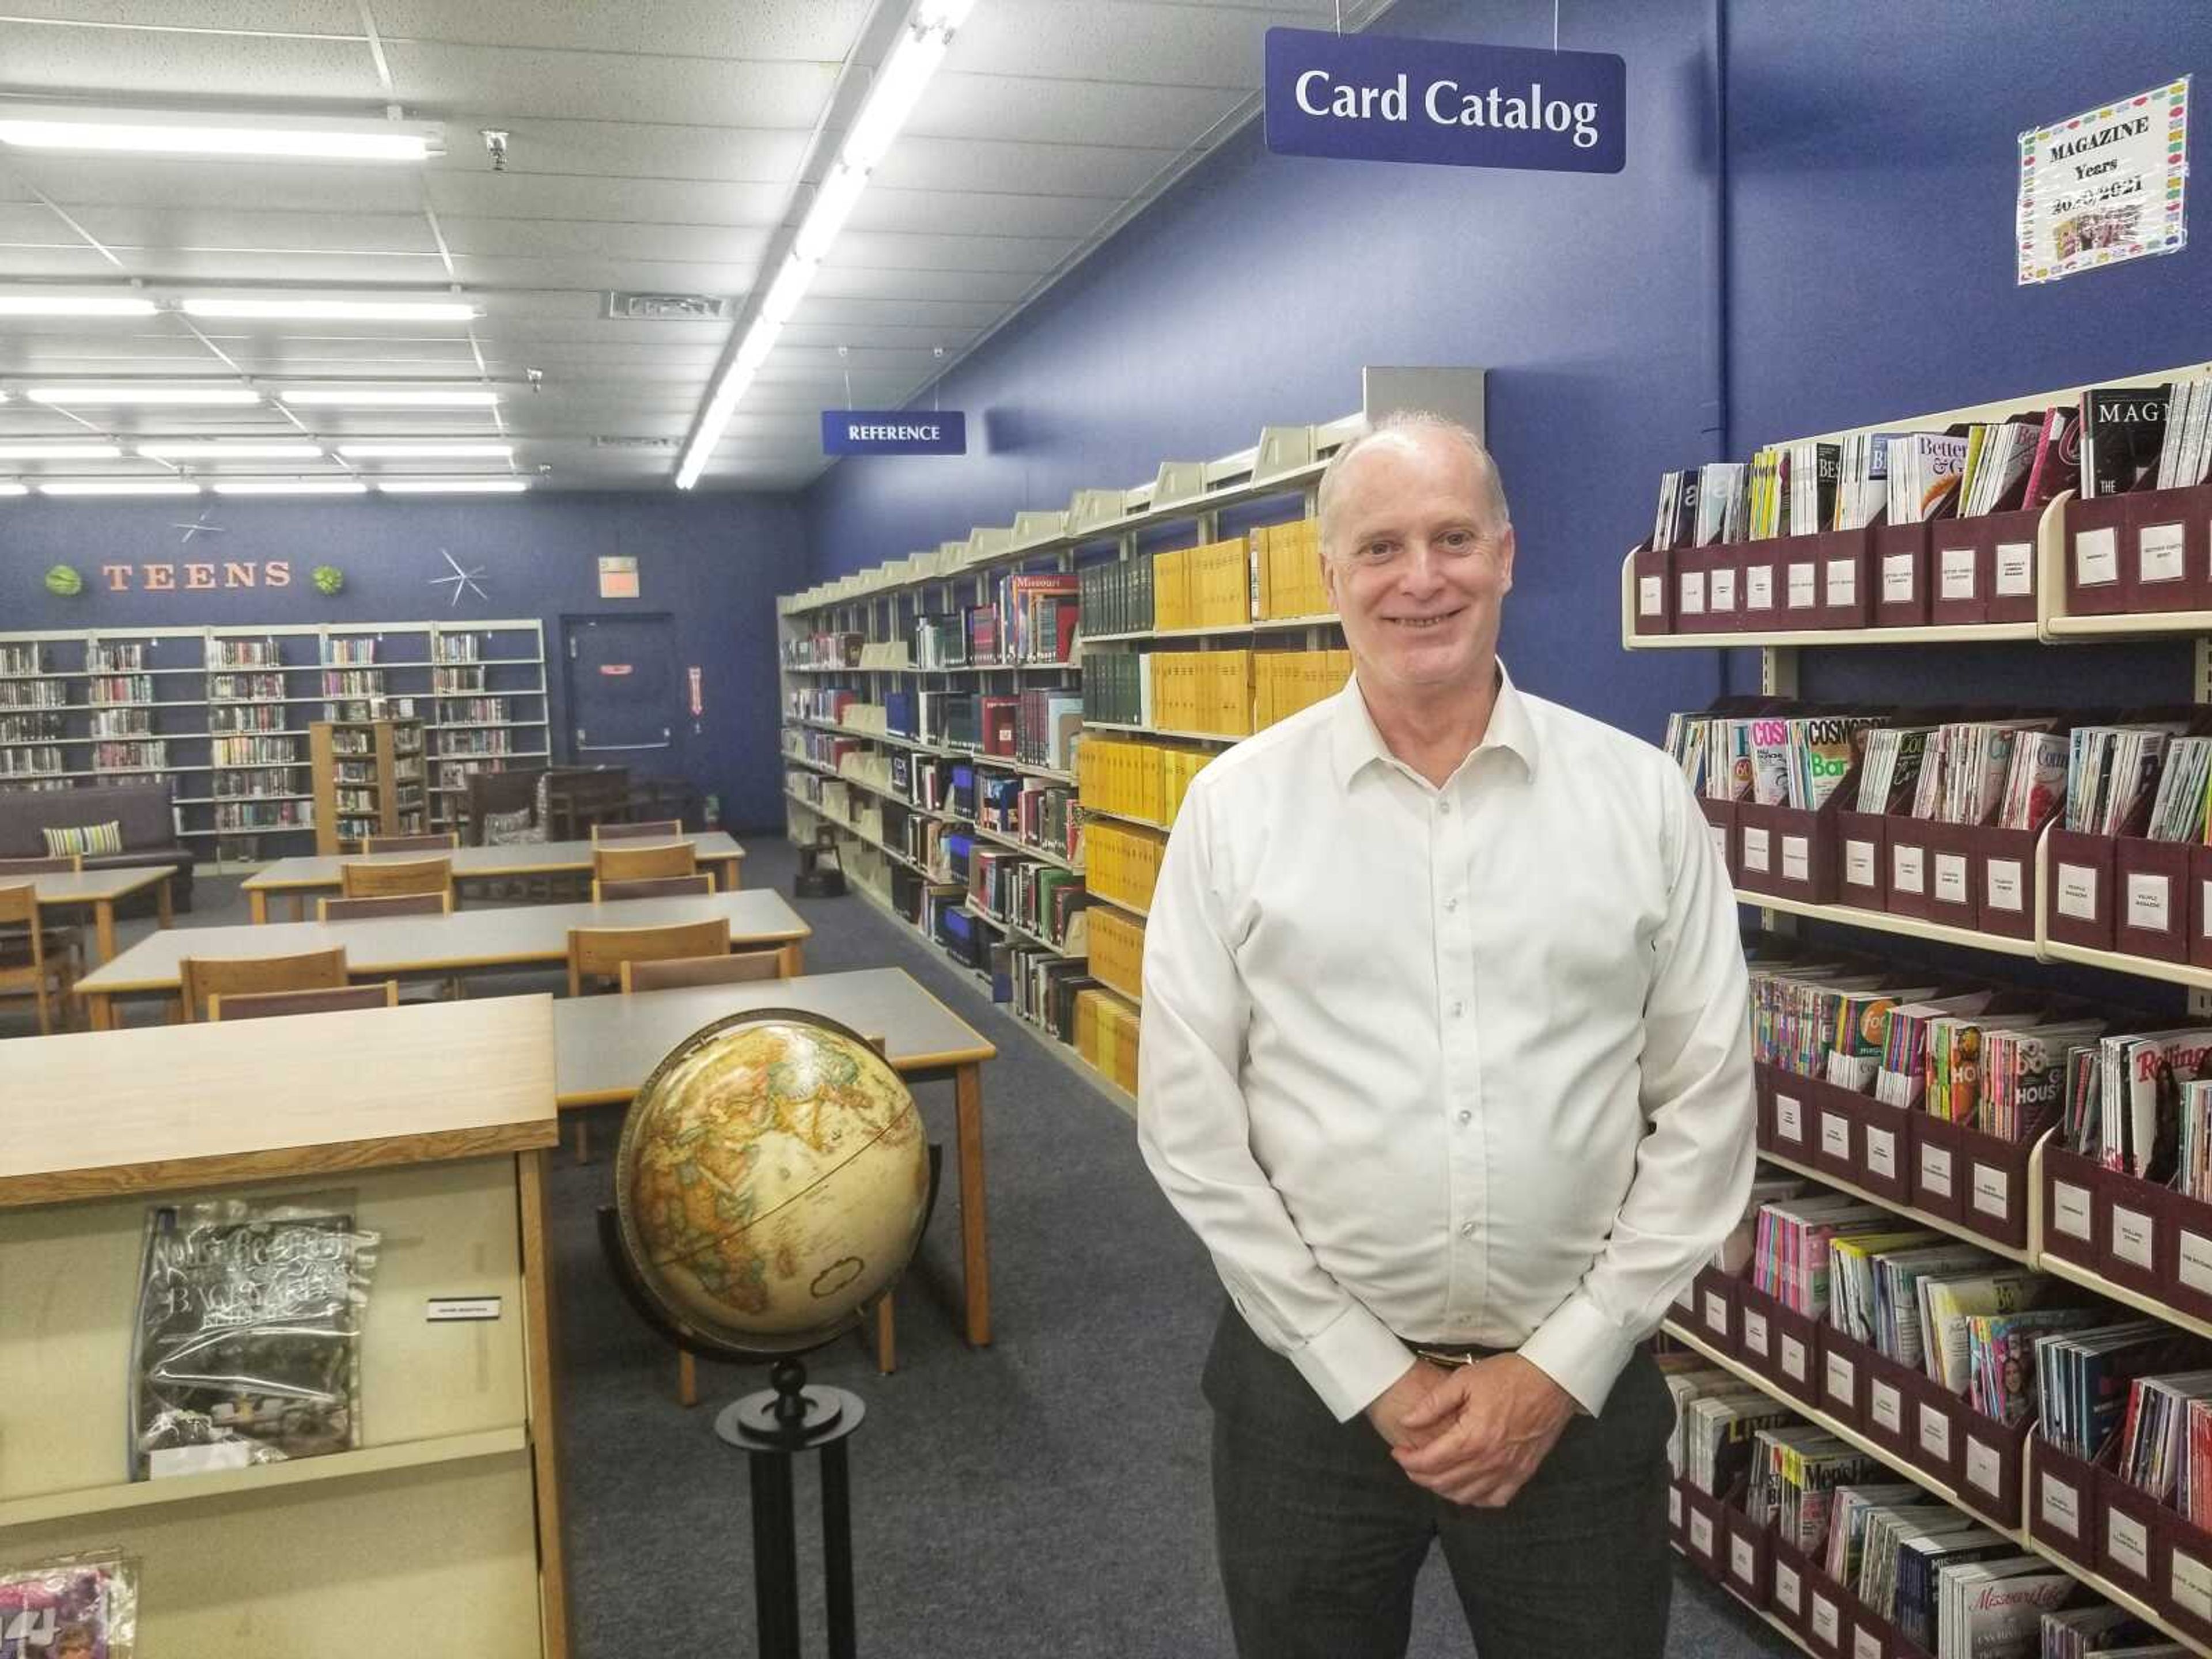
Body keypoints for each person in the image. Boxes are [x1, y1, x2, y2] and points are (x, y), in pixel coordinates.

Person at [1136, 411, 1755, 1659]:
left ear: (1510, 556)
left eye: (1453, 538)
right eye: (1381, 548)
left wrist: (1561, 1365)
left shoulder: (1640, 799)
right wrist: (1367, 1368)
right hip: (1304, 1401)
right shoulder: (1234, 811)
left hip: (1573, 1407)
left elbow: (1706, 1109)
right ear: (1330, 577)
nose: (1421, 578)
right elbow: (1191, 1127)